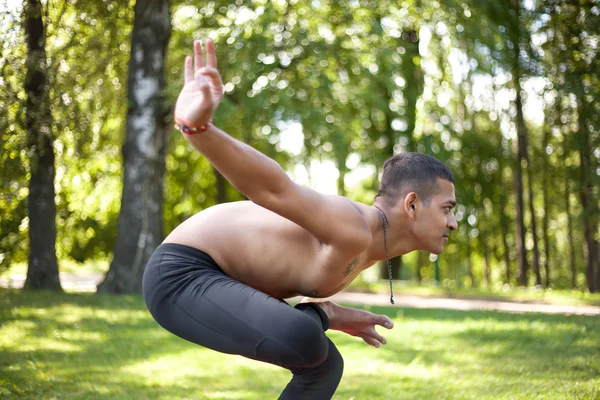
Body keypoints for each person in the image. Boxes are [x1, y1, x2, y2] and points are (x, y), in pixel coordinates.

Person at [142, 39, 458, 399]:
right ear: (412, 205)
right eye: (447, 208)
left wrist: (328, 312)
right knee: (306, 340)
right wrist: (198, 129)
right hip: (182, 274)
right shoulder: (354, 225)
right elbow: (274, 189)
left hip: (214, 277)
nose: (454, 223)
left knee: (324, 365)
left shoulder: (369, 245)